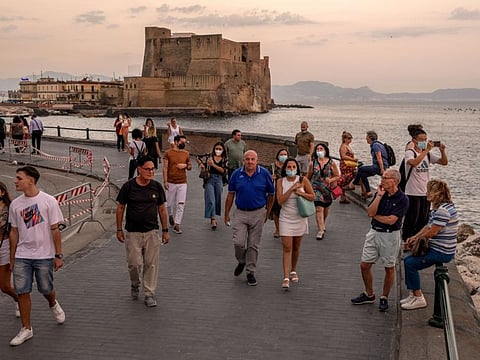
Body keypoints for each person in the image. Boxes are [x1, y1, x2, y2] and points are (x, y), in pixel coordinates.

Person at [8, 166, 66, 346]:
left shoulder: (49, 201)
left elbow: (55, 230)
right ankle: (26, 328)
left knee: (45, 288)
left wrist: (58, 255)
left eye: (19, 178)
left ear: (30, 180)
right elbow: (14, 233)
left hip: (44, 254)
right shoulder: (15, 204)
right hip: (22, 255)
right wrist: (12, 257)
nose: (15, 181)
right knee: (22, 291)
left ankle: (53, 303)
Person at [351, 169, 409, 312]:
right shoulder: (380, 193)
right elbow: (370, 212)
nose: (382, 180)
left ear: (394, 181)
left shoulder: (403, 199)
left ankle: (384, 296)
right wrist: (379, 196)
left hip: (390, 236)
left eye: (385, 178)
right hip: (374, 232)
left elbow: (391, 220)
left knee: (389, 267)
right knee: (364, 265)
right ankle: (369, 293)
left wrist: (375, 216)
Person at [116, 156, 170, 308]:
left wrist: (165, 230)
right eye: (147, 169)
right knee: (134, 263)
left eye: (153, 169)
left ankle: (149, 293)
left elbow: (162, 209)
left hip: (152, 231)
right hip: (133, 232)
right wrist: (119, 229)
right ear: (139, 169)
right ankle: (135, 283)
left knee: (151, 264)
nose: (151, 171)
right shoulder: (129, 187)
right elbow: (120, 207)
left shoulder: (156, 187)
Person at [402, 179, 458, 310]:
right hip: (440, 248)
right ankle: (412, 294)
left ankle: (418, 297)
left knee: (410, 263)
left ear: (436, 193)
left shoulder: (442, 211)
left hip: (442, 251)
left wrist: (416, 241)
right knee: (408, 259)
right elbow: (428, 226)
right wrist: (415, 237)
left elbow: (433, 231)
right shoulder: (443, 208)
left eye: (429, 191)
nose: (426, 193)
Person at [224, 150, 275, 286]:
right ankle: (241, 260)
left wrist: (268, 211)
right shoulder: (236, 174)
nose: (250, 162)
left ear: (257, 161)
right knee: (238, 242)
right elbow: (230, 194)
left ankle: (250, 272)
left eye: (253, 159)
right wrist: (226, 213)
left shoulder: (264, 174)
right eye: (247, 159)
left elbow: (271, 194)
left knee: (253, 244)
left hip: (258, 212)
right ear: (243, 160)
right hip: (240, 212)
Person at [402, 129, 448, 241]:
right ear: (414, 140)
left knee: (424, 220)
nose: (424, 141)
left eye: (425, 139)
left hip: (425, 193)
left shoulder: (427, 154)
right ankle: (406, 241)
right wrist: (426, 149)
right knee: (411, 219)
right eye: (421, 140)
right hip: (412, 192)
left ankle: (418, 242)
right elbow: (414, 162)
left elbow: (444, 162)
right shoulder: (410, 152)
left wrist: (442, 151)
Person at [276, 158, 315, 290]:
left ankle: (293, 269)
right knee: (287, 247)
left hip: (299, 217)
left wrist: (299, 192)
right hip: (286, 218)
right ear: (285, 168)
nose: (291, 169)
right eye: (289, 167)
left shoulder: (303, 180)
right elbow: (280, 200)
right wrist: (292, 189)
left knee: (296, 246)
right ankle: (286, 277)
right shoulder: (280, 182)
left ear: (297, 168)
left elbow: (312, 196)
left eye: (293, 167)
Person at [308, 143, 340, 240]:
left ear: (325, 150)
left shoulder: (331, 162)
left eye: (321, 149)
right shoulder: (312, 163)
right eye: (317, 149)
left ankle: (322, 223)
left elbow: (337, 175)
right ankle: (320, 230)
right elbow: (308, 176)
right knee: (319, 208)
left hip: (327, 188)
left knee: (325, 207)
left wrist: (330, 180)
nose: (319, 151)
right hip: (316, 187)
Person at [163, 134, 192, 234]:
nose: (183, 144)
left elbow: (189, 166)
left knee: (181, 203)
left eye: (184, 142)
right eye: (182, 142)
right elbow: (165, 168)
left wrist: (185, 165)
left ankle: (177, 224)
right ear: (176, 142)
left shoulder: (186, 154)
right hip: (171, 182)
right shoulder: (168, 153)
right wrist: (165, 181)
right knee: (169, 203)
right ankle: (170, 214)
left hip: (182, 182)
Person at [196, 142, 228, 230]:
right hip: (209, 179)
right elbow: (198, 157)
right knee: (211, 199)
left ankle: (213, 215)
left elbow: (223, 171)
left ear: (223, 150)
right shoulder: (209, 156)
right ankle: (213, 219)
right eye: (216, 148)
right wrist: (201, 164)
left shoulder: (224, 159)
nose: (218, 150)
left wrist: (213, 165)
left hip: (219, 180)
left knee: (217, 198)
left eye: (220, 149)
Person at [0, 181, 19, 316]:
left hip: (4, 246)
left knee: (5, 286)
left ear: (2, 192)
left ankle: (19, 300)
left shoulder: (10, 208)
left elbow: (15, 230)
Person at [352, 130, 389, 199]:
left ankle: (354, 184)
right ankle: (368, 192)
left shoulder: (375, 145)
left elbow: (379, 157)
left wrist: (382, 169)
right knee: (363, 174)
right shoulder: (378, 144)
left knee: (361, 168)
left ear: (370, 137)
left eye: (367, 137)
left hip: (379, 166)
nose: (366, 139)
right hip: (379, 166)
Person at [270, 148, 289, 238]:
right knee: (276, 210)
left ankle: (286, 228)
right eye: (281, 154)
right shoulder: (272, 167)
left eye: (285, 154)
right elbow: (265, 179)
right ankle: (277, 229)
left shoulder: (289, 166)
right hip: (276, 191)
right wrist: (271, 177)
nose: (283, 156)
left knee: (285, 210)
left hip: (287, 191)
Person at [336, 131, 358, 204]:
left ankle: (343, 197)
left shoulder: (347, 146)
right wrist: (353, 159)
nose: (350, 140)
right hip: (345, 165)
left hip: (350, 164)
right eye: (348, 138)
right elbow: (343, 156)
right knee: (348, 177)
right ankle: (349, 186)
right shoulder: (343, 146)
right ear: (344, 139)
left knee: (346, 178)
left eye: (350, 138)